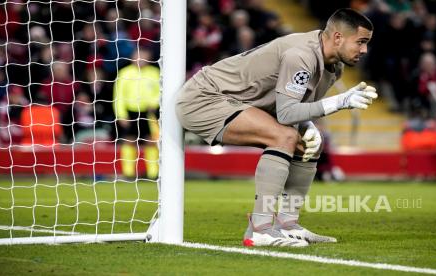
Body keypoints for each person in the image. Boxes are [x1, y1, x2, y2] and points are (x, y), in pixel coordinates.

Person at [176, 8, 377, 247]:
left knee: (309, 144)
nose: (364, 50)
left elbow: (297, 106)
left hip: (238, 103)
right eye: (361, 42)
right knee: (283, 137)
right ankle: (260, 229)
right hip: (204, 98)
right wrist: (340, 101)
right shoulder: (301, 56)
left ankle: (288, 225)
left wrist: (307, 124)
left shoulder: (333, 66)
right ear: (337, 38)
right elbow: (286, 113)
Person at [113, 47, 160, 180]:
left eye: (143, 56)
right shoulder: (124, 73)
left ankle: (153, 173)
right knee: (129, 141)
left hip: (149, 112)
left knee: (151, 141)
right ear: (132, 57)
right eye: (138, 56)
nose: (140, 60)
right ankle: (128, 173)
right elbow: (118, 96)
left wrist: (154, 103)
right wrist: (121, 115)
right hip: (130, 112)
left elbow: (160, 92)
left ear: (149, 58)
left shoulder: (155, 73)